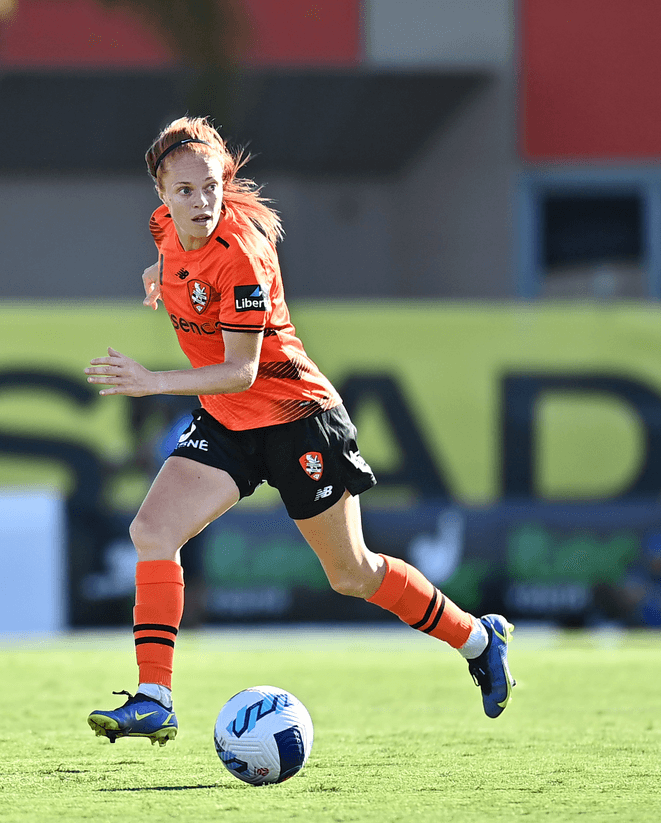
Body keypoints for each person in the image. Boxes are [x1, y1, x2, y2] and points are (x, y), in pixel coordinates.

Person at [85, 117, 515, 746]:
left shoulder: (242, 253)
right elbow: (172, 260)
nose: (200, 202)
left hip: (296, 420)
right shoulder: (164, 230)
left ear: (223, 183)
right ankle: (155, 698)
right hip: (230, 422)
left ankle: (479, 638)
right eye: (185, 191)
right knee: (152, 529)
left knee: (352, 574)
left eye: (210, 187)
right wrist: (158, 278)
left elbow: (240, 371)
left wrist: (151, 381)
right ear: (161, 193)